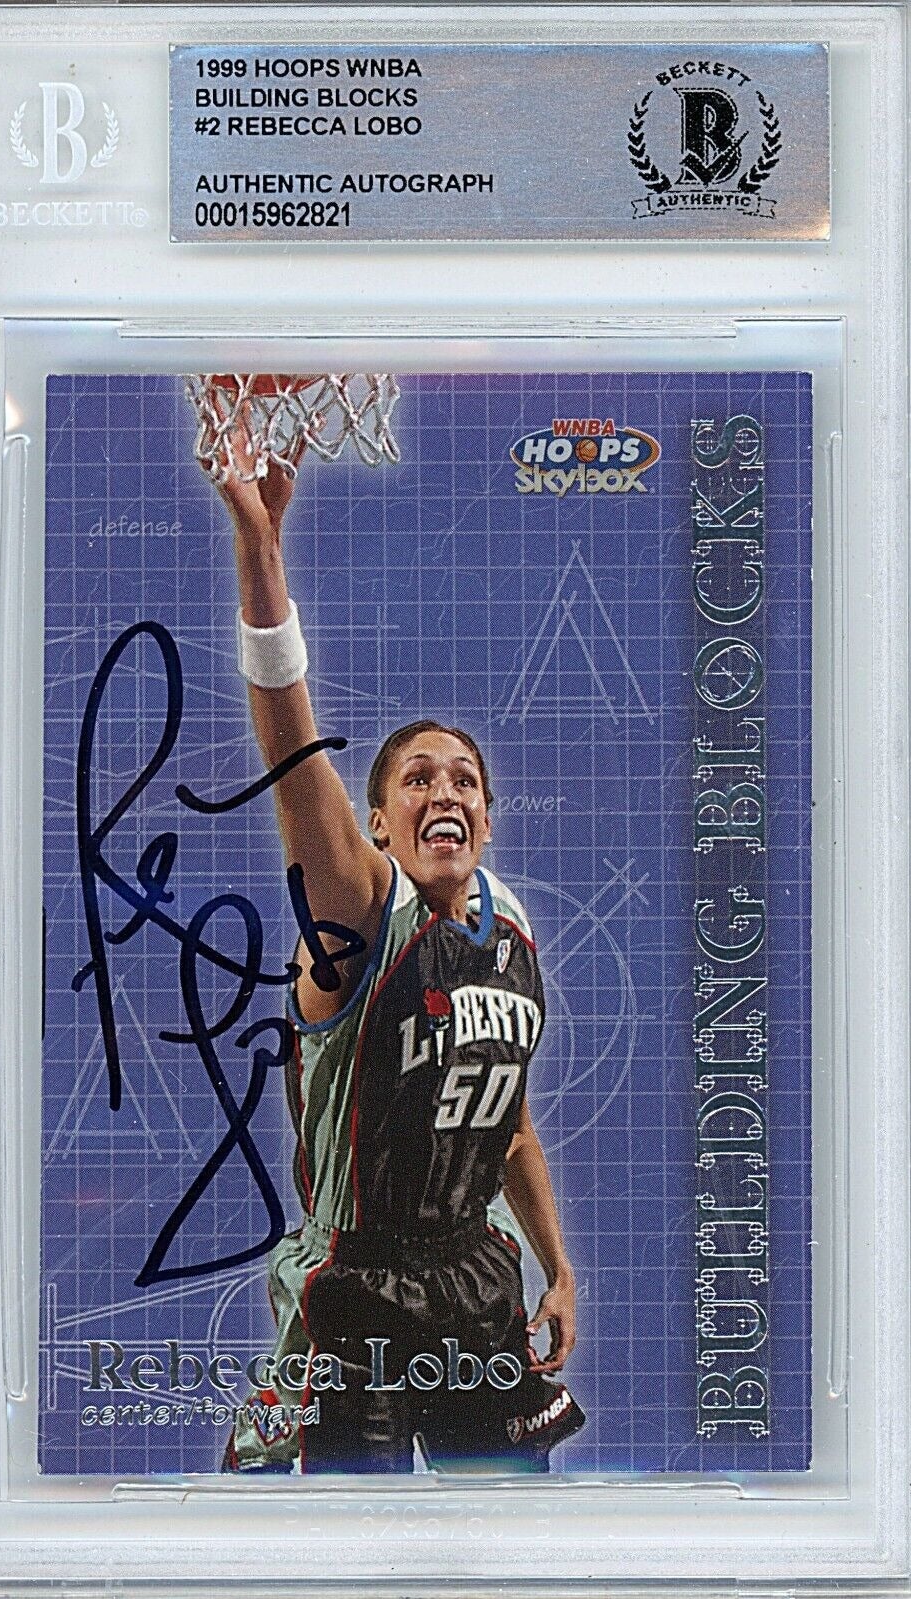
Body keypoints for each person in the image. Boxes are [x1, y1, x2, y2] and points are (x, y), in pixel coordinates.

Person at [213, 437, 583, 1474]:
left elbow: (508, 1130)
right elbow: (293, 758)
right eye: (416, 779)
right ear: (377, 824)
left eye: (462, 779)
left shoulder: (513, 935)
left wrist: (558, 1268)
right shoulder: (360, 914)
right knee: (347, 1540)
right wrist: (261, 553)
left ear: (487, 821)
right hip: (358, 1280)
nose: (444, 790)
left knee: (504, 1529)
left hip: (476, 1274)